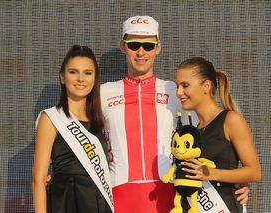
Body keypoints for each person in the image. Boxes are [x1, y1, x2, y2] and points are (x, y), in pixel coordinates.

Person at [100, 15, 250, 213]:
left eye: (149, 46)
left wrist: (234, 182)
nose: (141, 52)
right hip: (117, 194)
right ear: (122, 46)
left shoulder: (175, 91)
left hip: (169, 194)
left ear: (158, 48)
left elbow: (206, 140)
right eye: (134, 45)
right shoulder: (102, 93)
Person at [32, 45, 113, 213]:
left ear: (94, 78)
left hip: (98, 202)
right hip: (66, 201)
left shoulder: (101, 121)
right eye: (73, 72)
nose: (80, 79)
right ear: (62, 77)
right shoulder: (51, 118)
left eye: (87, 73)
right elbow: (38, 180)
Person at [174, 56, 261, 212]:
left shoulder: (231, 120)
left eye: (185, 86)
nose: (179, 92)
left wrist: (210, 173)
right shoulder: (193, 129)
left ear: (206, 86)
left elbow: (254, 172)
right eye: (177, 86)